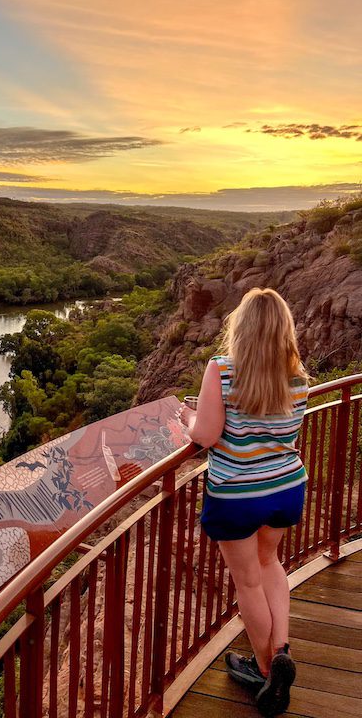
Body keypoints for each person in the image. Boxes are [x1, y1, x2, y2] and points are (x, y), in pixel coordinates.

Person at [177, 287, 309, 717]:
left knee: (248, 582)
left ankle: (268, 670)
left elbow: (206, 436)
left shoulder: (223, 369)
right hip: (286, 487)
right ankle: (282, 649)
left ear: (243, 327)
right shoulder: (298, 377)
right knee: (270, 564)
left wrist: (189, 416)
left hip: (238, 494)